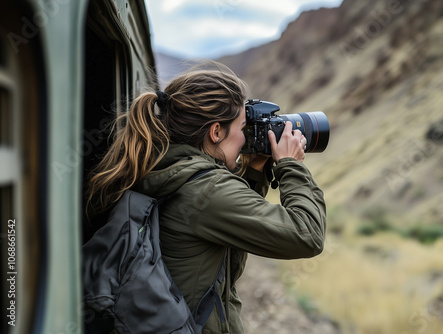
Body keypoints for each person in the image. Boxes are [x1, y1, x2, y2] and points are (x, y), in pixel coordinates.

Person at [86, 61, 326, 334]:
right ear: (215, 132)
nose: (244, 137)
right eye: (242, 127)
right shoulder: (206, 189)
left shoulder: (164, 165)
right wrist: (290, 165)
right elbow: (307, 235)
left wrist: (256, 172)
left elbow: (220, 250)